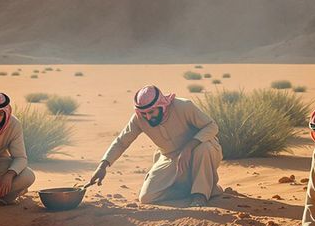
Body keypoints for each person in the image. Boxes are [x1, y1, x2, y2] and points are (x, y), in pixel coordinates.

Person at [90, 85, 221, 206]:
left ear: (162, 106)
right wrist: (103, 165)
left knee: (204, 148)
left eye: (151, 112)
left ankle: (200, 195)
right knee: (147, 197)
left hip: (199, 149)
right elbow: (121, 141)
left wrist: (189, 147)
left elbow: (212, 126)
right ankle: (198, 189)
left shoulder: (183, 106)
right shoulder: (139, 118)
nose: (148, 116)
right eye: (144, 113)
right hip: (169, 157)